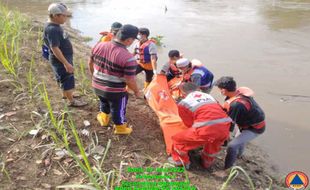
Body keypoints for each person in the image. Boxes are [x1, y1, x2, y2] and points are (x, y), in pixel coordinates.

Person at [88, 24, 142, 135]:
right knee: (118, 109)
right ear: (129, 40)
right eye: (132, 40)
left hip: (96, 85)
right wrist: (136, 91)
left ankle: (104, 119)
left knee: (103, 101)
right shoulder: (128, 58)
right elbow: (129, 80)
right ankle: (120, 128)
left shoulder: (98, 45)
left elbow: (90, 63)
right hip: (115, 91)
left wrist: (95, 77)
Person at [169, 82, 231, 169]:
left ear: (183, 93)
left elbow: (189, 124)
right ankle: (207, 163)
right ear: (197, 89)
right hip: (224, 128)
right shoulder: (209, 96)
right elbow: (219, 110)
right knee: (212, 145)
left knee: (178, 140)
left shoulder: (184, 103)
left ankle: (181, 163)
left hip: (206, 130)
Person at [214, 76, 266, 176]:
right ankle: (239, 156)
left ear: (224, 90)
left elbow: (230, 123)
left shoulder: (236, 104)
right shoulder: (237, 94)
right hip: (247, 123)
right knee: (239, 139)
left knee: (232, 146)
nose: (219, 91)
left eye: (219, 89)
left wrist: (226, 136)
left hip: (255, 128)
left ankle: (227, 170)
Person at [43, 3, 87, 107]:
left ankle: (66, 95)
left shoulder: (55, 26)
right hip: (61, 59)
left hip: (63, 57)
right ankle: (71, 101)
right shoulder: (52, 29)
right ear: (55, 16)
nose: (66, 18)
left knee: (62, 78)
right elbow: (55, 48)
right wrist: (66, 63)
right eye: (64, 16)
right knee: (67, 78)